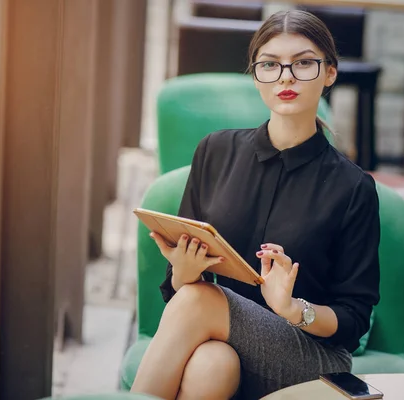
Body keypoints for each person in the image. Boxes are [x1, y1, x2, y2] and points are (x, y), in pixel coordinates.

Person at [131, 9, 380, 400]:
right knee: (212, 364)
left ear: (330, 73)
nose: (286, 77)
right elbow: (177, 288)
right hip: (222, 339)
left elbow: (354, 319)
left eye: (303, 64)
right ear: (256, 75)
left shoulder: (353, 187)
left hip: (310, 356)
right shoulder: (215, 150)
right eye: (270, 65)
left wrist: (293, 307)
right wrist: (183, 272)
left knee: (199, 299)